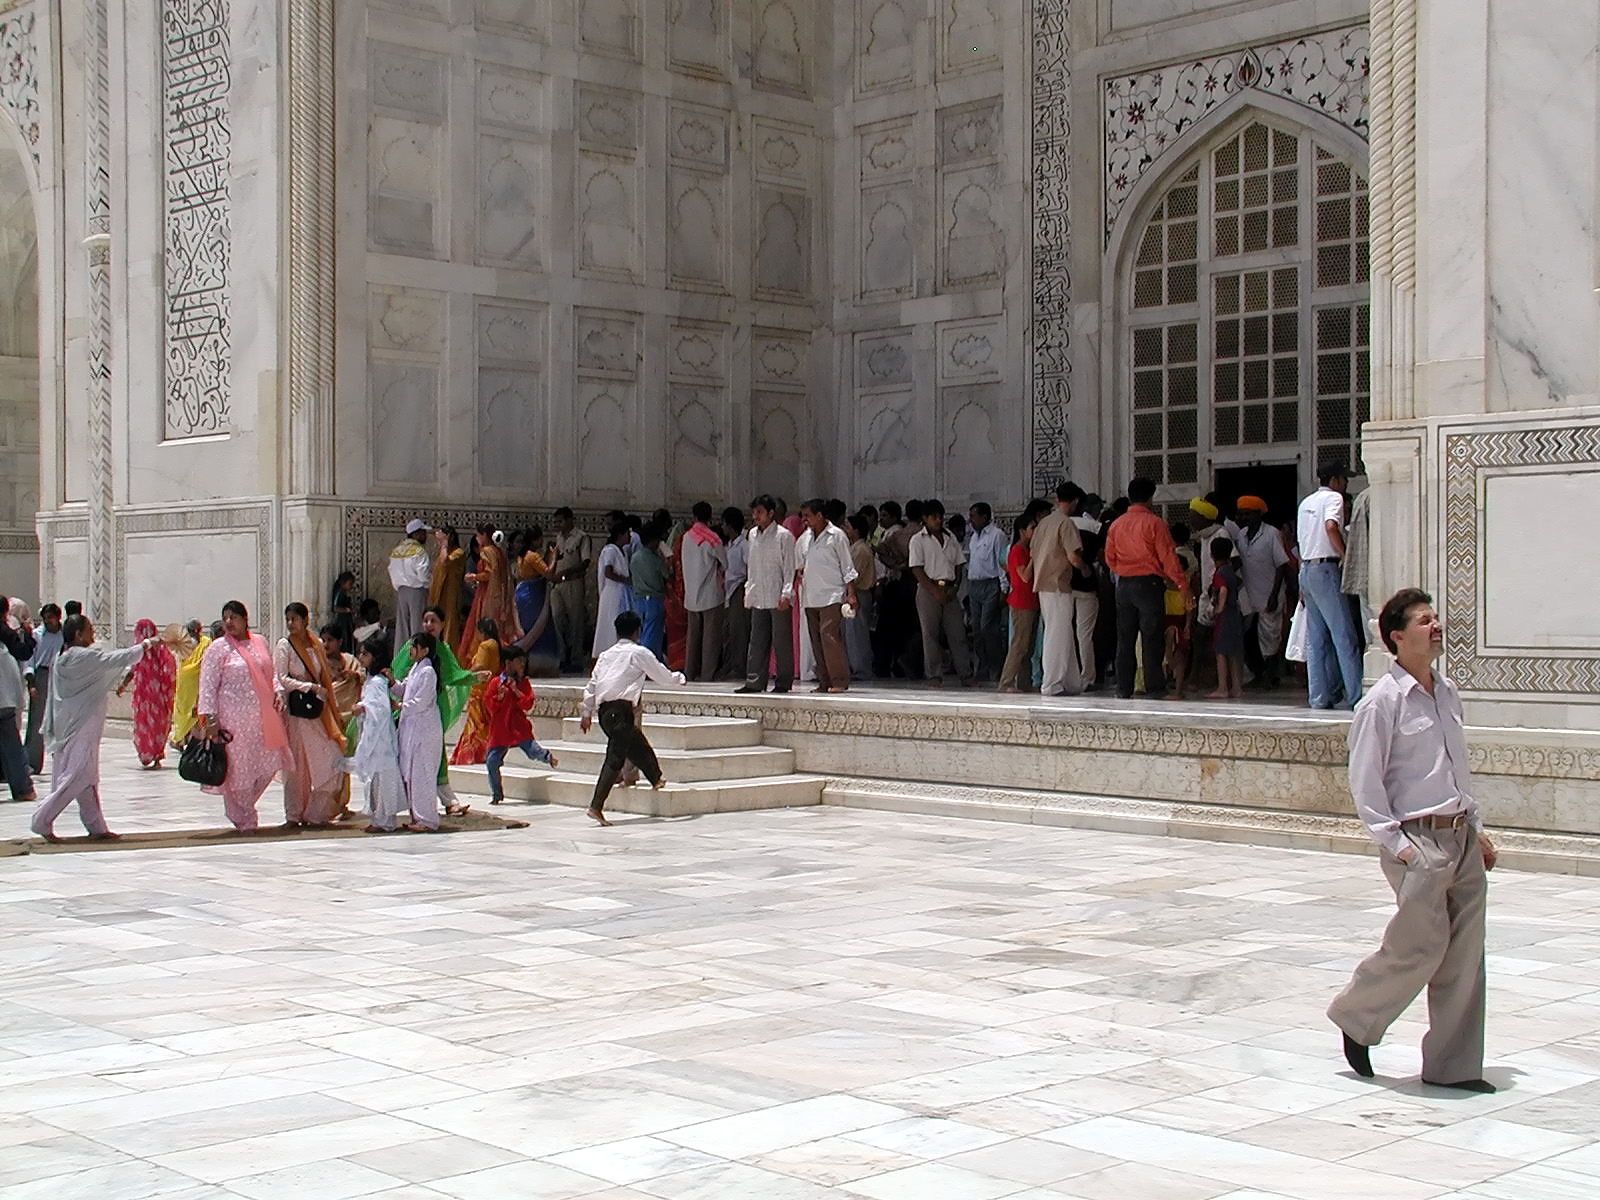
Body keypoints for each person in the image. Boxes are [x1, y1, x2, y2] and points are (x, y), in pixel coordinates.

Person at [1327, 588, 1499, 1093]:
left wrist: (1478, 829)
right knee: (1419, 945)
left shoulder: (1445, 691)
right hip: (1417, 841)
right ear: (1397, 638)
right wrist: (1399, 846)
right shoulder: (1381, 703)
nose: (1436, 626)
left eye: (1436, 618)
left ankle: (1454, 1066)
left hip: (1460, 834)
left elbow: (1455, 769)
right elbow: (1366, 781)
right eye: (1425, 621)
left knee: (1466, 953)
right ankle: (1357, 1015)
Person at [31, 617, 165, 840]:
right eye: (89, 630)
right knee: (76, 776)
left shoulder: (63, 657)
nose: (92, 635)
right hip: (81, 726)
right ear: (77, 635)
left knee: (87, 779)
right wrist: (146, 644)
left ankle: (97, 827)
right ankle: (41, 820)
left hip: (74, 724)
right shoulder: (82, 656)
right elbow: (116, 658)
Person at [194, 602, 295, 832]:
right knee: (238, 771)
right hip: (231, 723)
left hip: (262, 720)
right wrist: (209, 719)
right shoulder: (218, 649)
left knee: (267, 765)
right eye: (225, 618)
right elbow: (207, 685)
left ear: (245, 619)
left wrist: (279, 692)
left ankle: (245, 808)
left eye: (234, 617)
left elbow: (271, 675)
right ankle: (243, 817)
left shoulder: (259, 642)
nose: (229, 622)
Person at [579, 610, 686, 826]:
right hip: (620, 710)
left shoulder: (605, 656)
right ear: (638, 631)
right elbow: (661, 674)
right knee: (615, 757)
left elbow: (592, 686)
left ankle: (656, 778)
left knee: (635, 743)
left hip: (605, 713)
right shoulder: (638, 653)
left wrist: (586, 712)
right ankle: (596, 806)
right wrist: (679, 679)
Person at [1103, 477, 1193, 699]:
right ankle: (1154, 687)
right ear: (1150, 497)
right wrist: (1182, 585)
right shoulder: (1154, 523)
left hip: (1124, 585)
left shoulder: (1116, 524)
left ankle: (1123, 688)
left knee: (1125, 638)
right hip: (1149, 584)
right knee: (1151, 637)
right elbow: (1168, 557)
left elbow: (1109, 558)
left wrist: (1124, 570)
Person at [391, 606, 475, 817]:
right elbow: (399, 673)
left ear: (442, 625)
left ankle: (443, 804)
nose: (429, 625)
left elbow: (453, 675)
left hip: (428, 713)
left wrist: (474, 677)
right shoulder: (412, 648)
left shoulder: (441, 652)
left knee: (433, 759)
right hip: (409, 715)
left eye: (433, 621)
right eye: (426, 620)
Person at [275, 603, 349, 827]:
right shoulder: (285, 645)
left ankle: (315, 813)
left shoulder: (315, 644)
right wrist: (309, 688)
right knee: (297, 766)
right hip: (297, 713)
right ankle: (293, 814)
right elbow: (281, 678)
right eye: (288, 619)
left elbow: (323, 676)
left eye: (295, 619)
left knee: (330, 759)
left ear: (306, 620)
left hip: (317, 713)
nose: (290, 624)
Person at [1298, 462, 1363, 709]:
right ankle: (1356, 697)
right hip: (1326, 569)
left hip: (1306, 569)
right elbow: (1330, 527)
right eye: (1343, 479)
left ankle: (1318, 696)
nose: (1345, 484)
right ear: (1334, 480)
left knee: (1316, 639)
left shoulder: (1306, 502)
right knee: (1344, 635)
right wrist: (1345, 555)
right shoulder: (1334, 498)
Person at [340, 635, 407, 834]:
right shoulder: (370, 680)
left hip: (381, 739)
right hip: (375, 737)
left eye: (365, 654)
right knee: (375, 780)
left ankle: (386, 821)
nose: (361, 657)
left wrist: (363, 708)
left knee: (383, 779)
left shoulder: (378, 681)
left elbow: (381, 710)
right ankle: (378, 818)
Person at [1032, 483, 1090, 696]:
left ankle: (1071, 681)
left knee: (1063, 632)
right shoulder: (1066, 524)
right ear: (1074, 501)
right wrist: (1085, 569)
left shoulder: (1043, 523)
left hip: (1043, 584)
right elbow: (1073, 557)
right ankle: (1052, 684)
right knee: (1056, 635)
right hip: (1057, 584)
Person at [483, 645, 559, 804]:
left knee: (532, 751)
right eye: (518, 661)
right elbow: (489, 706)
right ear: (509, 662)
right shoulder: (496, 683)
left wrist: (516, 691)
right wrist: (498, 698)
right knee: (491, 761)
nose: (521, 664)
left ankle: (547, 757)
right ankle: (497, 794)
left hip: (518, 728)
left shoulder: (523, 683)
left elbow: (528, 704)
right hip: (501, 730)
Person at [796, 499, 858, 694]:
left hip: (832, 594)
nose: (804, 520)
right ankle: (824, 681)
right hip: (810, 596)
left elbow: (847, 567)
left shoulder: (837, 536)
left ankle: (839, 679)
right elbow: (799, 566)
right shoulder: (803, 539)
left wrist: (851, 593)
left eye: (807, 516)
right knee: (816, 639)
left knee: (829, 635)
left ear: (819, 515)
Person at [736, 494, 796, 694]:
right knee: (757, 640)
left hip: (777, 594)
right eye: (754, 512)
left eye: (760, 512)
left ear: (771, 513)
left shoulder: (784, 536)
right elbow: (751, 566)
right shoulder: (752, 534)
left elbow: (789, 568)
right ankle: (754, 681)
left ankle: (783, 682)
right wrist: (749, 592)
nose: (756, 516)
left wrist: (786, 594)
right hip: (759, 593)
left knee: (781, 642)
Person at [908, 499, 971, 686]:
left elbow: (959, 565)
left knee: (957, 633)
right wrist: (934, 590)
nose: (938, 520)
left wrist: (955, 587)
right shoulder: (918, 540)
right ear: (925, 519)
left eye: (940, 517)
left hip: (950, 588)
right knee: (930, 634)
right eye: (933, 517)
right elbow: (917, 569)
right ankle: (934, 674)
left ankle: (965, 673)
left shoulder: (950, 537)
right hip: (929, 589)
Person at [393, 632, 446, 832]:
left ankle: (428, 820)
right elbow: (404, 690)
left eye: (414, 646)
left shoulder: (428, 673)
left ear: (425, 650)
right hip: (412, 730)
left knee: (423, 774)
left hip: (424, 731)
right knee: (413, 775)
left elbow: (420, 702)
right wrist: (392, 683)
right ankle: (417, 817)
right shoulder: (416, 669)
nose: (410, 650)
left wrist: (400, 707)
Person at [1235, 496, 1290, 689]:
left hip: (1269, 595)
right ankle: (1258, 674)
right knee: (1249, 638)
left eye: (1248, 514)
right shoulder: (1241, 535)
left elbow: (1282, 566)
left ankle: (1270, 676)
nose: (1244, 518)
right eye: (1241, 514)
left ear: (1259, 514)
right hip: (1249, 597)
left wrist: (1274, 595)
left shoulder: (1272, 534)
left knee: (1270, 638)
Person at [999, 502, 1048, 692]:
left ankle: (1024, 683)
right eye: (1032, 528)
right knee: (1019, 645)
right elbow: (1024, 576)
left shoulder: (1026, 550)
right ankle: (1006, 682)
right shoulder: (1018, 551)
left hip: (1031, 602)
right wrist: (1035, 557)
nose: (1035, 531)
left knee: (1028, 647)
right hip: (1021, 603)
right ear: (1022, 531)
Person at [460, 524, 520, 662]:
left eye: (478, 535)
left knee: (484, 627)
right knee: (498, 628)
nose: (477, 538)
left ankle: (483, 659)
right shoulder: (499, 551)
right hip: (500, 596)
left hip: (487, 595)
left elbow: (489, 573)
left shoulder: (486, 551)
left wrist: (474, 577)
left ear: (484, 536)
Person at [681, 502, 726, 682]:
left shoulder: (686, 537)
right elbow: (725, 561)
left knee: (692, 637)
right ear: (709, 517)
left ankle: (689, 672)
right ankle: (707, 674)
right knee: (710, 638)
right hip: (710, 594)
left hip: (691, 594)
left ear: (694, 516)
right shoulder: (712, 538)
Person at [965, 502, 1009, 682]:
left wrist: (1004, 588)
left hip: (991, 585)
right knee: (976, 629)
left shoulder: (997, 535)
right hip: (975, 585)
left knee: (988, 627)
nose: (971, 521)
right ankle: (982, 667)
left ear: (984, 517)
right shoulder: (974, 538)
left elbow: (1001, 563)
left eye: (974, 516)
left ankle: (996, 666)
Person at [450, 617, 502, 765]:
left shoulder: (485, 646)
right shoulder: (497, 644)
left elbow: (480, 666)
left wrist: (464, 674)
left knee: (476, 725)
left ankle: (473, 755)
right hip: (488, 689)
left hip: (479, 690)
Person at [128, 618, 177, 768]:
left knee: (145, 724)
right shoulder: (160, 649)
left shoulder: (140, 650)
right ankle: (155, 756)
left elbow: (132, 670)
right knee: (157, 725)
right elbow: (170, 669)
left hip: (144, 697)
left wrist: (123, 685)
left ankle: (147, 754)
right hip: (157, 697)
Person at [548, 508, 592, 673]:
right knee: (557, 617)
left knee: (575, 622)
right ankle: (562, 656)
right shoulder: (559, 537)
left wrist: (566, 572)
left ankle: (575, 659)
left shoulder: (581, 537)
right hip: (558, 585)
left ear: (569, 520)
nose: (558, 525)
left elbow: (585, 561)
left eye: (560, 521)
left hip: (573, 582)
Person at [24, 603, 63, 773]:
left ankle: (61, 761)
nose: (47, 621)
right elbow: (30, 660)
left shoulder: (64, 634)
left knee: (60, 719)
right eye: (45, 618)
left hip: (59, 677)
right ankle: (32, 762)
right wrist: (31, 683)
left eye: (50, 618)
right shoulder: (37, 635)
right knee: (36, 720)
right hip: (41, 675)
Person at [512, 535, 560, 675]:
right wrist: (554, 557)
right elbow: (549, 574)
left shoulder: (522, 556)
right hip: (533, 596)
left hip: (522, 593)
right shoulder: (532, 556)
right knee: (540, 628)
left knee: (526, 629)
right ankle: (540, 666)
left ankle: (523, 666)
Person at [1205, 537, 1244, 700]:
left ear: (1212, 555)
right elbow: (1239, 582)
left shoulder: (1219, 573)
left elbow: (1222, 589)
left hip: (1225, 614)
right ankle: (1236, 687)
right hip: (1234, 612)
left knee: (1220, 651)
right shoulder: (1230, 570)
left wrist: (1219, 608)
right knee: (1233, 652)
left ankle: (1222, 687)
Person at [389, 519, 433, 651]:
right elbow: (423, 575)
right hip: (417, 591)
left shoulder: (396, 551)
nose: (425, 536)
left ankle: (401, 662)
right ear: (415, 534)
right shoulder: (419, 551)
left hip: (402, 591)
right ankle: (418, 657)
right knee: (418, 627)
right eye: (423, 532)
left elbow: (391, 570)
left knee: (402, 628)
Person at [843, 512, 877, 680]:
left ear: (856, 530)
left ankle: (861, 669)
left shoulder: (862, 550)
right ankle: (853, 666)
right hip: (853, 593)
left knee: (858, 634)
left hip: (859, 593)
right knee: (851, 633)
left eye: (848, 527)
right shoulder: (853, 548)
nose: (845, 530)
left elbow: (853, 576)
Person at [592, 523, 633, 662]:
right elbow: (608, 572)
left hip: (621, 591)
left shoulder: (623, 551)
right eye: (627, 534)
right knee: (610, 622)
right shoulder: (610, 550)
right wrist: (625, 580)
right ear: (620, 535)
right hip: (613, 592)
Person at [630, 523, 670, 661]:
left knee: (642, 633)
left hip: (639, 600)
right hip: (654, 600)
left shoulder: (635, 557)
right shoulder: (655, 559)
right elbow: (667, 575)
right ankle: (647, 664)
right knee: (652, 635)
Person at [0, 641, 33, 804]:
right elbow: (15, 680)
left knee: (12, 749)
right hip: (6, 704)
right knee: (12, 749)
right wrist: (18, 704)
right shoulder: (5, 653)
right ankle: (23, 789)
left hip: (5, 705)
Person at [719, 506, 750, 680]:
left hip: (738, 589)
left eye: (724, 524)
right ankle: (729, 664)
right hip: (728, 592)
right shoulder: (729, 545)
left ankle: (739, 667)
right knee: (728, 632)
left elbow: (750, 568)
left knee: (739, 632)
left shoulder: (744, 545)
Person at [428, 526, 468, 650]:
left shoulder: (458, 553)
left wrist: (445, 543)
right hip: (438, 596)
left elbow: (446, 562)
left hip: (451, 596)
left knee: (450, 627)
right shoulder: (441, 552)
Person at [320, 623, 366, 718]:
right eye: (323, 640)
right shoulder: (319, 663)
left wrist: (354, 676)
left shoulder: (350, 660)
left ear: (340, 641)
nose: (325, 644)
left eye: (330, 640)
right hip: (328, 716)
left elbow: (364, 678)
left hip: (352, 717)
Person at [329, 572, 358, 654]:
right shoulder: (340, 592)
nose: (351, 586)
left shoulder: (343, 592)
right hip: (341, 622)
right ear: (343, 583)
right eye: (350, 583)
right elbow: (335, 608)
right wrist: (348, 610)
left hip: (345, 622)